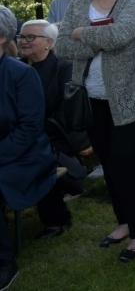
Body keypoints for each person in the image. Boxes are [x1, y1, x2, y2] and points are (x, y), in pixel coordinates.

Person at [55, 0, 135, 262]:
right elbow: (61, 46)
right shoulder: (82, 0)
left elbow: (121, 36)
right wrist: (93, 40)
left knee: (126, 165)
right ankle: (124, 223)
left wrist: (81, 33)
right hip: (92, 99)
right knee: (110, 164)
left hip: (132, 98)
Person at [0, 6, 57, 291]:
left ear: (1, 37)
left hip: (25, 156)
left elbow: (29, 129)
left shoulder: (21, 75)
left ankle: (4, 261)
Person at [18, 20, 89, 239]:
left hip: (56, 133)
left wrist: (33, 130)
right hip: (22, 131)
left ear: (49, 42)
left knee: (36, 155)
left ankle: (56, 219)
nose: (23, 41)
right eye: (21, 37)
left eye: (31, 37)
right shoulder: (17, 66)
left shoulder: (64, 67)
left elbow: (65, 110)